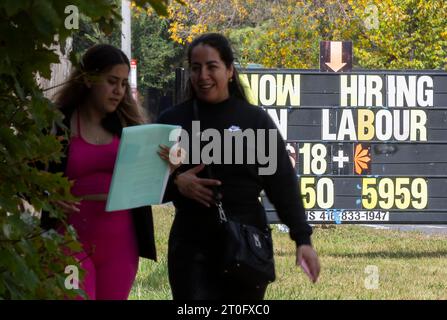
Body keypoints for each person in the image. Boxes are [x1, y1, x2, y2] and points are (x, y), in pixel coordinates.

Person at [157, 33, 320, 300]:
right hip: (191, 247)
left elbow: (282, 184)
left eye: (212, 67)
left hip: (246, 247)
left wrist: (303, 240)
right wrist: (177, 183)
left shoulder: (254, 121)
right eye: (196, 68)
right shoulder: (172, 122)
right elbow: (147, 187)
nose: (203, 75)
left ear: (230, 71)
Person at [41, 44, 156, 300]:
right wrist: (47, 194)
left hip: (120, 243)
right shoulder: (57, 123)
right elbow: (27, 176)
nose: (119, 91)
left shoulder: (130, 127)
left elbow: (151, 182)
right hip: (68, 238)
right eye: (112, 81)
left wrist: (166, 166)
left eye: (124, 84)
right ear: (89, 79)